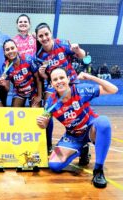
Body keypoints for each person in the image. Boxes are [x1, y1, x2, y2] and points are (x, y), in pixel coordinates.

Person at [36, 68, 118, 188]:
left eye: (62, 78)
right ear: (52, 84)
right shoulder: (50, 103)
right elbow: (45, 124)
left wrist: (90, 77)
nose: (59, 81)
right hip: (72, 136)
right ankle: (83, 148)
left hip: (90, 129)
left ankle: (98, 170)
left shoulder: (81, 89)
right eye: (55, 79)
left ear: (68, 79)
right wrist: (41, 123)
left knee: (104, 122)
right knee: (54, 165)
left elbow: (114, 89)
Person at [35, 22, 86, 154]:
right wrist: (42, 74)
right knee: (47, 110)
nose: (44, 38)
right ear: (37, 38)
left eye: (46, 34)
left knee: (79, 112)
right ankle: (47, 145)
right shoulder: (39, 55)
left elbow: (83, 57)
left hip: (71, 81)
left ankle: (83, 145)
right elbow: (46, 77)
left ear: (51, 33)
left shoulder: (63, 44)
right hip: (54, 84)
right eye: (41, 36)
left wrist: (77, 49)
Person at [0, 39, 42, 107]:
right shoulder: (5, 66)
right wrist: (3, 84)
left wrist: (39, 96)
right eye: (7, 49)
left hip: (33, 91)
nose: (10, 51)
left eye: (12, 48)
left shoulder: (28, 59)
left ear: (17, 48)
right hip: (19, 92)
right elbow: (8, 88)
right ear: (4, 52)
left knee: (36, 111)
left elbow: (38, 78)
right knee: (14, 112)